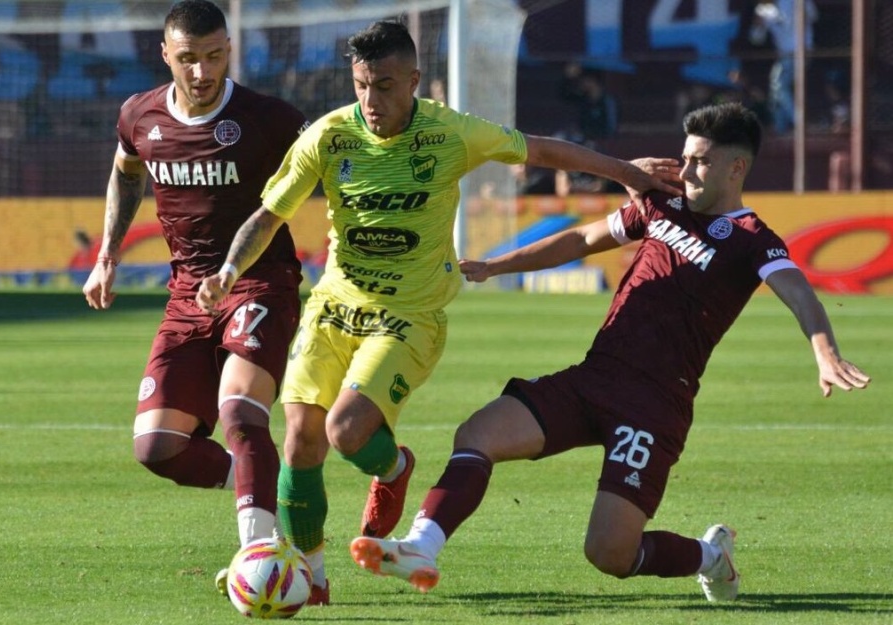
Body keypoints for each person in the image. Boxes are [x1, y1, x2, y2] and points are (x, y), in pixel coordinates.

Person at [195, 18, 680, 604]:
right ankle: (312, 579)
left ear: (415, 81)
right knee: (299, 438)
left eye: (386, 86)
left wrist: (629, 174)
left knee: (345, 430)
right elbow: (269, 213)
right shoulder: (328, 137)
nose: (371, 100)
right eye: (361, 85)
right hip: (334, 305)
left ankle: (394, 468)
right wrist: (228, 270)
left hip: (411, 314)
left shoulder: (451, 133)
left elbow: (543, 148)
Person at [348, 102, 871, 601]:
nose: (685, 170)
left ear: (737, 167)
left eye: (700, 161)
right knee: (478, 433)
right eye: (684, 157)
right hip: (594, 379)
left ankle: (711, 556)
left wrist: (824, 351)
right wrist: (495, 266)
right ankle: (422, 547)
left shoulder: (753, 239)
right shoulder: (661, 205)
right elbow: (581, 241)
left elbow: (799, 292)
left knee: (609, 552)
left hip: (654, 405)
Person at [79, 0, 316, 601]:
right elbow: (127, 170)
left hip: (261, 284)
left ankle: (262, 550)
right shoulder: (140, 114)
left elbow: (331, 175)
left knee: (240, 413)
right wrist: (107, 253)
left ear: (229, 50)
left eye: (214, 56)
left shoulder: (270, 118)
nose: (203, 72)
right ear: (166, 56)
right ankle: (265, 490)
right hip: (186, 295)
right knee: (157, 448)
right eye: (189, 59)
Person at [750, 0, 819, 134]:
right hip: (784, 56)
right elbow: (756, 39)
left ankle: (799, 122)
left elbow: (814, 16)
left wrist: (800, 14)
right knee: (777, 90)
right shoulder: (762, 9)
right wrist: (758, 25)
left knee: (778, 84)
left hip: (802, 51)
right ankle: (780, 127)